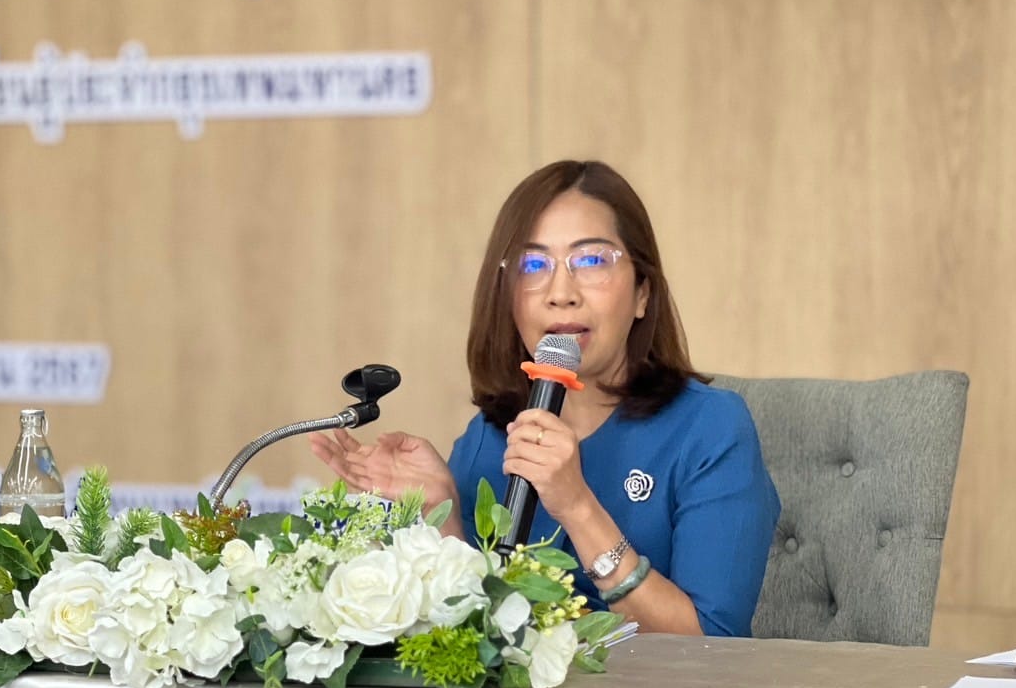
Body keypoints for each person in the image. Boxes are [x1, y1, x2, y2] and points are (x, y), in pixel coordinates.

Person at [310, 159, 780, 637]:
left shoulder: (710, 429)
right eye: (533, 265)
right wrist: (442, 512)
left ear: (643, 292)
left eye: (591, 261)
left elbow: (713, 645)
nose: (561, 293)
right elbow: (480, 633)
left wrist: (577, 506)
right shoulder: (489, 437)